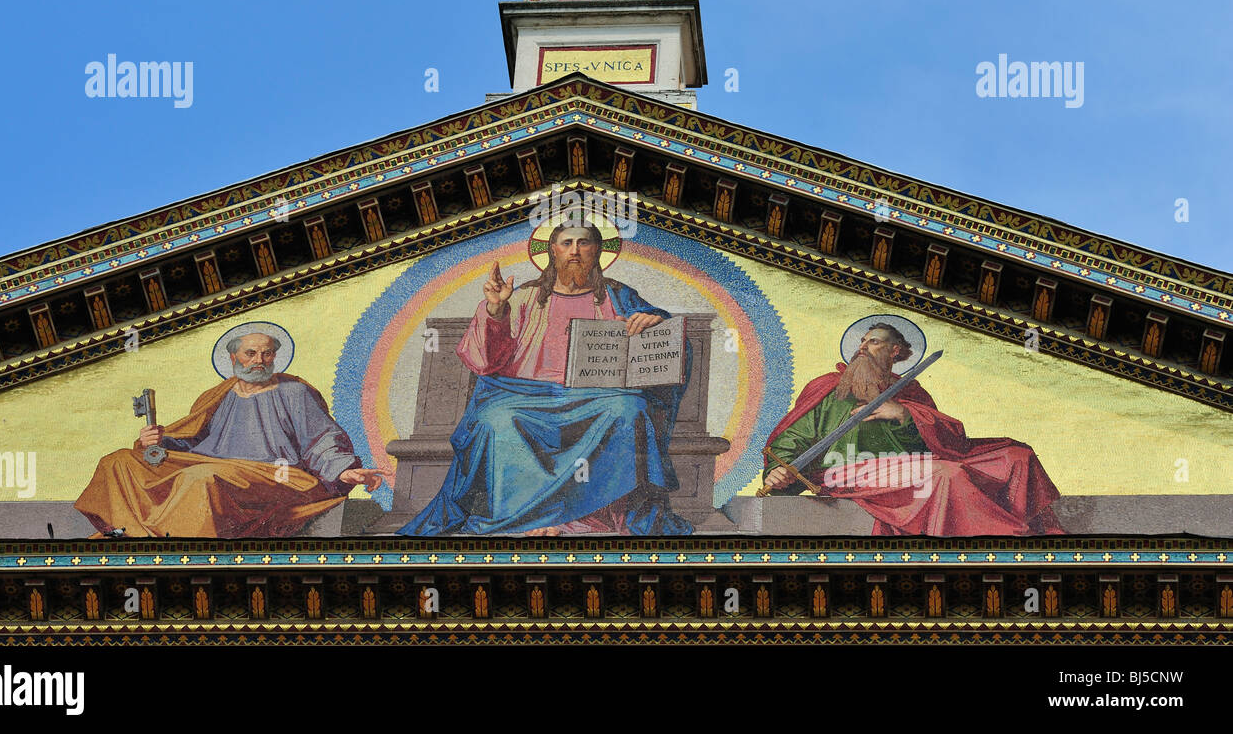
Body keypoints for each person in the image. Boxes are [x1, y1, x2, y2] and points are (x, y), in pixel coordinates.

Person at [397, 221, 693, 536]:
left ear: (598, 251)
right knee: (495, 418)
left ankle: (593, 515)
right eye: (567, 243)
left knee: (630, 409)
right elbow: (485, 361)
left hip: (596, 396)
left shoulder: (618, 295)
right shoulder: (525, 296)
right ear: (552, 250)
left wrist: (652, 319)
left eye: (584, 243)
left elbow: (668, 335)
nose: (575, 251)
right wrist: (495, 310)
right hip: (524, 393)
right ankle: (530, 517)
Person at [762, 321, 1063, 536]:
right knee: (949, 474)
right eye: (863, 342)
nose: (864, 347)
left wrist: (905, 416)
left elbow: (945, 441)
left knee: (1015, 457)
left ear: (895, 351)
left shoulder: (911, 393)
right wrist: (778, 471)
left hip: (912, 466)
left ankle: (1039, 534)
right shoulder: (829, 388)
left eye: (875, 341)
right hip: (850, 470)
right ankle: (1007, 541)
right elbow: (792, 439)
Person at [75, 329, 383, 537]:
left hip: (272, 473)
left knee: (200, 480)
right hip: (209, 464)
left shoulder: (294, 392)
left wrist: (343, 472)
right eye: (251, 354)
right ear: (234, 358)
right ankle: (130, 534)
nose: (259, 361)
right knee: (117, 461)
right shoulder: (217, 395)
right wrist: (158, 440)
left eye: (266, 354)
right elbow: (192, 439)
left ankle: (175, 551)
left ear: (274, 357)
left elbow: (321, 439)